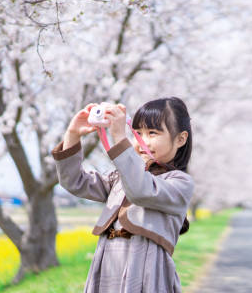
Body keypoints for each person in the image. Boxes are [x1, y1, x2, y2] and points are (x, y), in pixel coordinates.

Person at [52, 97, 194, 293]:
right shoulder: (121, 178)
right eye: (138, 134)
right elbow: (74, 182)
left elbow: (141, 190)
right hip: (108, 264)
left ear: (180, 139)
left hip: (145, 271)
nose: (142, 142)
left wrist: (120, 138)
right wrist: (73, 134)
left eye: (152, 133)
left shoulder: (180, 182)